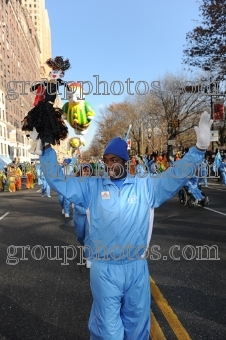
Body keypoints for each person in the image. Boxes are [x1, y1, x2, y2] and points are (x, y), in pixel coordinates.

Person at [40, 112, 212, 339]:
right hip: (104, 270)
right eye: (106, 160)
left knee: (137, 328)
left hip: (136, 269)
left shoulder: (145, 187)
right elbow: (58, 180)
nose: (109, 165)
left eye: (114, 160)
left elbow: (175, 176)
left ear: (126, 161)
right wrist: (46, 149)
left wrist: (198, 150)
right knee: (109, 331)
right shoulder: (91, 188)